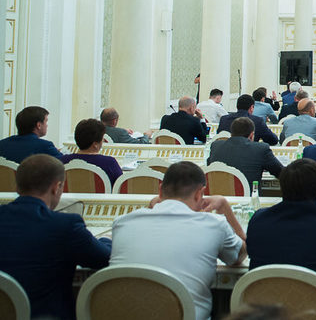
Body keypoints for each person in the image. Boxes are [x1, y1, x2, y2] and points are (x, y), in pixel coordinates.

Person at [109, 161, 245, 320]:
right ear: (199, 194)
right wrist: (225, 208)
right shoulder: (215, 224)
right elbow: (239, 256)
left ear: (160, 190)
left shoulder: (122, 223)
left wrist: (152, 206)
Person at [0, 154, 111, 319]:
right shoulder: (66, 226)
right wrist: (106, 239)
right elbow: (105, 259)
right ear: (57, 187)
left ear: (17, 186)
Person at [208, 117, 283, 188]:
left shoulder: (216, 146)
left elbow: (210, 165)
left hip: (218, 195)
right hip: (249, 196)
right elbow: (281, 173)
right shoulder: (261, 149)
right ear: (251, 135)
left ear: (231, 134)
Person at [61, 118, 124, 186]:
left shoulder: (62, 161)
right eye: (102, 139)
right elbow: (120, 186)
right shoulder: (109, 163)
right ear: (95, 144)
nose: (103, 141)